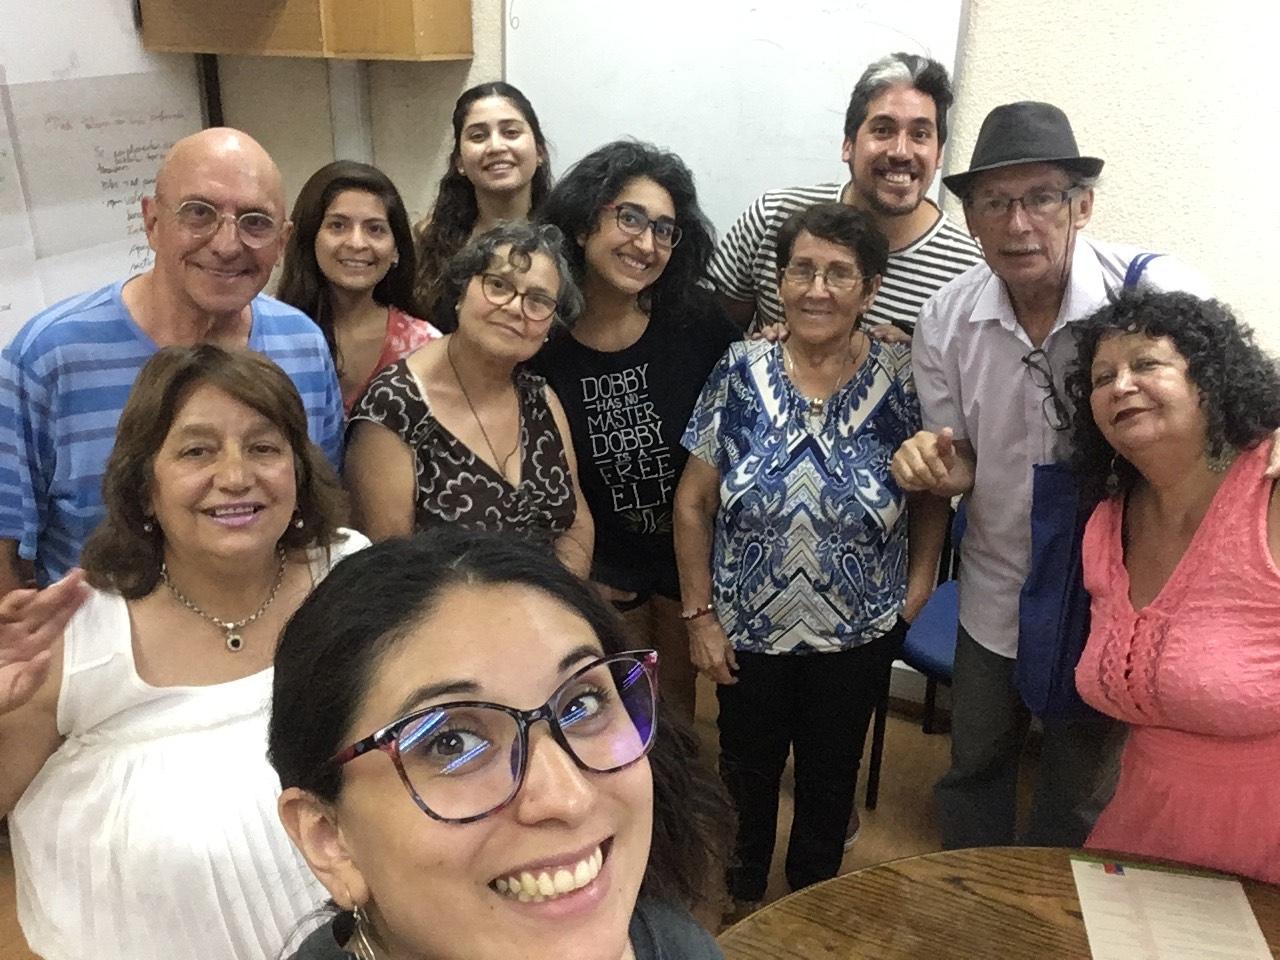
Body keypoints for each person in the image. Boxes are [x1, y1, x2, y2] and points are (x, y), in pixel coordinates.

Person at [892, 101, 1212, 850]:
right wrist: (932, 466)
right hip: (996, 580)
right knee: (974, 761)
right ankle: (976, 903)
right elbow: (960, 459)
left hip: (1113, 592)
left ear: (1083, 205)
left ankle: (1058, 921)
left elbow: (1225, 403)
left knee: (1080, 785)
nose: (1018, 224)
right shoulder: (945, 320)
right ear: (970, 219)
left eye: (1041, 198)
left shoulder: (1149, 292)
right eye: (995, 203)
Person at [0, 345, 367, 960]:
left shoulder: (352, 574)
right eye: (197, 450)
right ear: (144, 488)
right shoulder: (77, 632)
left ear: (299, 473)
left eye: (263, 447)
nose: (235, 476)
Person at [269, 531, 731, 960]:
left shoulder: (673, 943)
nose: (567, 797)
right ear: (330, 838)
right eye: (451, 742)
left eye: (582, 704)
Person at [675, 203, 938, 915]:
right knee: (745, 772)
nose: (818, 288)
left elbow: (930, 495)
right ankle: (741, 895)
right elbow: (694, 503)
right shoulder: (739, 367)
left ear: (870, 288)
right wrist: (699, 615)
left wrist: (914, 594)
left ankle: (811, 904)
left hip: (856, 629)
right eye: (803, 270)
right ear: (781, 279)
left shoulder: (903, 375)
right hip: (747, 626)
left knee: (830, 776)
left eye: (839, 274)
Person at [0, 127, 344, 594]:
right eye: (198, 213)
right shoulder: (50, 357)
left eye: (255, 222)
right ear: (152, 221)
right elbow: (7, 552)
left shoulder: (301, 346)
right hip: (103, 655)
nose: (226, 244)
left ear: (282, 241)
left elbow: (314, 514)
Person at [1064, 290, 1280, 883]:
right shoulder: (1107, 522)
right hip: (1143, 829)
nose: (1121, 385)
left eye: (1146, 364)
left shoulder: (1270, 490)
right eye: (1102, 377)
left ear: (1210, 380)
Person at [533, 141, 741, 720]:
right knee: (611, 720)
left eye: (665, 230)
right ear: (582, 224)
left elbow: (750, 400)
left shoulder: (695, 322)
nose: (646, 244)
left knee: (674, 718)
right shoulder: (541, 343)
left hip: (690, 566)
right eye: (630, 218)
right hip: (599, 574)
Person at [344, 221, 594, 575]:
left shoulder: (541, 398)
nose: (514, 307)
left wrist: (557, 607)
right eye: (498, 285)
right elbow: (392, 571)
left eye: (538, 301)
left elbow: (576, 525)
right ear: (461, 292)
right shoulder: (394, 407)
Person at [706, 52, 980, 336]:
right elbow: (712, 338)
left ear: (938, 154)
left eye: (920, 134)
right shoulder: (772, 217)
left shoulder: (969, 275)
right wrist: (760, 354)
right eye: (883, 130)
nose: (901, 151)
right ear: (848, 144)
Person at [278, 160, 441, 414]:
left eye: (375, 229)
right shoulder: (272, 335)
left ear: (396, 249)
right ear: (310, 237)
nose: (357, 243)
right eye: (337, 225)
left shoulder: (425, 345)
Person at [414, 81, 551, 332]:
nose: (496, 147)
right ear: (460, 162)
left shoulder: (568, 238)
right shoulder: (429, 240)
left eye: (511, 132)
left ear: (539, 151)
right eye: (478, 136)